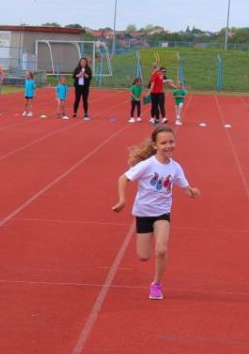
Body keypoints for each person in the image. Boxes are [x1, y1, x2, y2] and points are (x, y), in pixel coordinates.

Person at [112, 124, 201, 301]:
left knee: (161, 250)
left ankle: (156, 285)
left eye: (171, 142)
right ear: (155, 145)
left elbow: (185, 187)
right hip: (143, 213)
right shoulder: (147, 165)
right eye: (163, 143)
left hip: (162, 213)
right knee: (143, 256)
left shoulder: (175, 168)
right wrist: (122, 200)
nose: (168, 146)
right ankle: (149, 243)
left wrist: (192, 192)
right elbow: (123, 178)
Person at [72, 56, 93, 120]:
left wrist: (84, 74)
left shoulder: (88, 69)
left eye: (84, 62)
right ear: (80, 62)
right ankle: (75, 112)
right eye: (82, 61)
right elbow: (74, 76)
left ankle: (85, 113)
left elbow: (89, 77)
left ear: (86, 63)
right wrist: (79, 74)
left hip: (85, 87)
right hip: (78, 87)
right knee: (77, 100)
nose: (83, 63)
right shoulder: (77, 69)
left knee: (85, 100)